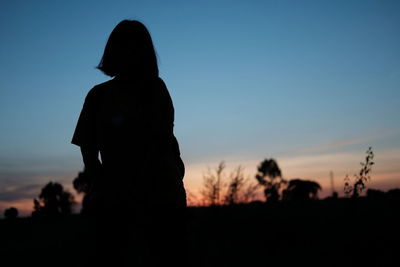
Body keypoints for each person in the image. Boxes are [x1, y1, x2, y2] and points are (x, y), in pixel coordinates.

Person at [71, 20, 187, 266]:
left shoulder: (154, 89)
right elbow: (88, 150)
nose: (130, 52)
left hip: (158, 197)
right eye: (125, 46)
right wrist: (105, 189)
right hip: (124, 201)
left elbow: (161, 143)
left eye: (136, 47)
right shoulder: (97, 95)